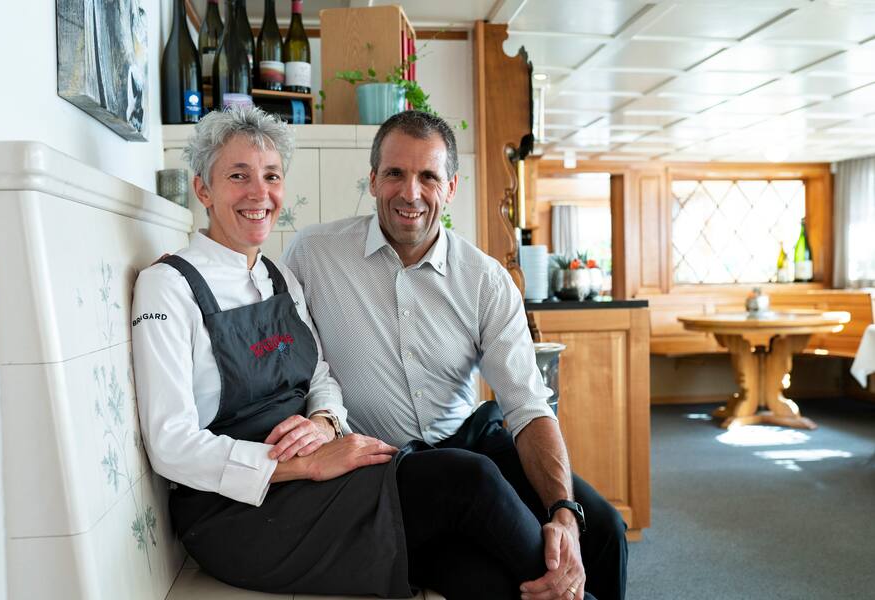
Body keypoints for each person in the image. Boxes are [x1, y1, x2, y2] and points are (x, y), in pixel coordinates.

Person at [131, 107, 556, 599]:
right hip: (239, 511)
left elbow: (320, 376)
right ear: (203, 189)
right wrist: (300, 465)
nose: (258, 193)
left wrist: (325, 424)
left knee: (481, 578)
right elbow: (170, 444)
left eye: (271, 177)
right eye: (238, 176)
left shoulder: (278, 276)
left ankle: (565, 584)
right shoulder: (168, 286)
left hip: (316, 481)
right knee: (469, 478)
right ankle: (571, 586)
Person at [282, 110, 628, 600]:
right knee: (492, 579)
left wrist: (564, 514)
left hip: (470, 445)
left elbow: (527, 407)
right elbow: (297, 363)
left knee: (605, 531)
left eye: (428, 176)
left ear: (451, 187)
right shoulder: (314, 255)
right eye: (395, 174)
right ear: (373, 180)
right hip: (389, 472)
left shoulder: (485, 279)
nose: (411, 193)